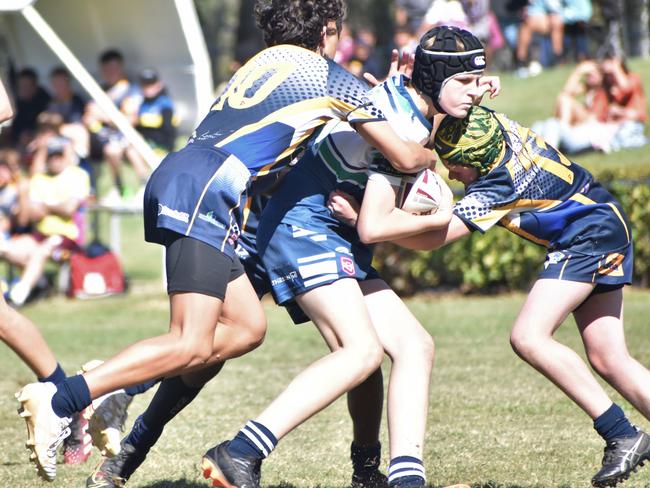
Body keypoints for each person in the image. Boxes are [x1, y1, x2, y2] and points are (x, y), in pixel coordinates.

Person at [16, 0, 437, 482]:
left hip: (193, 178)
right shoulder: (327, 75)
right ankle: (65, 397)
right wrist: (433, 152)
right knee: (191, 342)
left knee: (245, 328)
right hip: (207, 191)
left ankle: (118, 384)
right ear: (327, 29)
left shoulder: (258, 64)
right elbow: (404, 155)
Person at [202, 26, 497, 488]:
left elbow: (429, 114)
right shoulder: (403, 126)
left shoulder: (407, 95)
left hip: (323, 230)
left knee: (415, 346)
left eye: (481, 81)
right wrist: (440, 217)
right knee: (360, 351)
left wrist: (473, 85)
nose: (477, 92)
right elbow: (374, 227)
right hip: (304, 228)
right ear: (436, 80)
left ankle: (403, 480)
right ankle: (240, 451)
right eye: (466, 82)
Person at [338, 104, 650, 488]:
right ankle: (624, 434)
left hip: (588, 236)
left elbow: (434, 239)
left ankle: (621, 433)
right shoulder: (492, 125)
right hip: (605, 219)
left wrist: (366, 221)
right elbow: (452, 109)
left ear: (478, 165)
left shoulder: (495, 186)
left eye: (457, 167)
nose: (451, 172)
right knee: (609, 357)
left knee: (529, 336)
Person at [83, 49, 149, 201]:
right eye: (106, 69)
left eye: (113, 68)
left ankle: (134, 187)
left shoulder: (131, 90)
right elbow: (88, 116)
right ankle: (103, 189)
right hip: (100, 137)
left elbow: (129, 119)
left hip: (123, 136)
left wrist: (102, 116)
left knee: (115, 149)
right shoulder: (100, 90)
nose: (110, 72)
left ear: (120, 68)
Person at [134, 68, 177, 154]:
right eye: (145, 84)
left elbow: (168, 132)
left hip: (160, 146)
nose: (148, 88)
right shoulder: (140, 103)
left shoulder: (165, 104)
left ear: (159, 85)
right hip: (144, 144)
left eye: (151, 84)